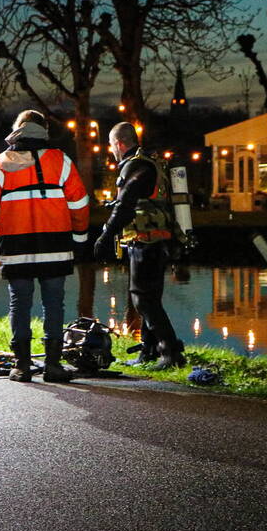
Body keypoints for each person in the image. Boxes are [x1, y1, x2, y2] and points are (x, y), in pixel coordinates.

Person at [0, 110, 90, 382]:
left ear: (17, 130)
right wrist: (79, 238)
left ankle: (22, 365)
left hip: (15, 246)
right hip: (55, 244)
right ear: (44, 130)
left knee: (20, 303)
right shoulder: (61, 161)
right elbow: (79, 203)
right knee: (54, 304)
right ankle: (53, 365)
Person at [93, 122, 186, 369]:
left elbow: (125, 206)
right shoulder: (150, 162)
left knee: (143, 298)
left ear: (119, 143)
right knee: (150, 297)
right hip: (159, 239)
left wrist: (105, 236)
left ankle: (170, 352)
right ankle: (149, 350)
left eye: (111, 145)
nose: (111, 150)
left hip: (146, 241)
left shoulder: (135, 166)